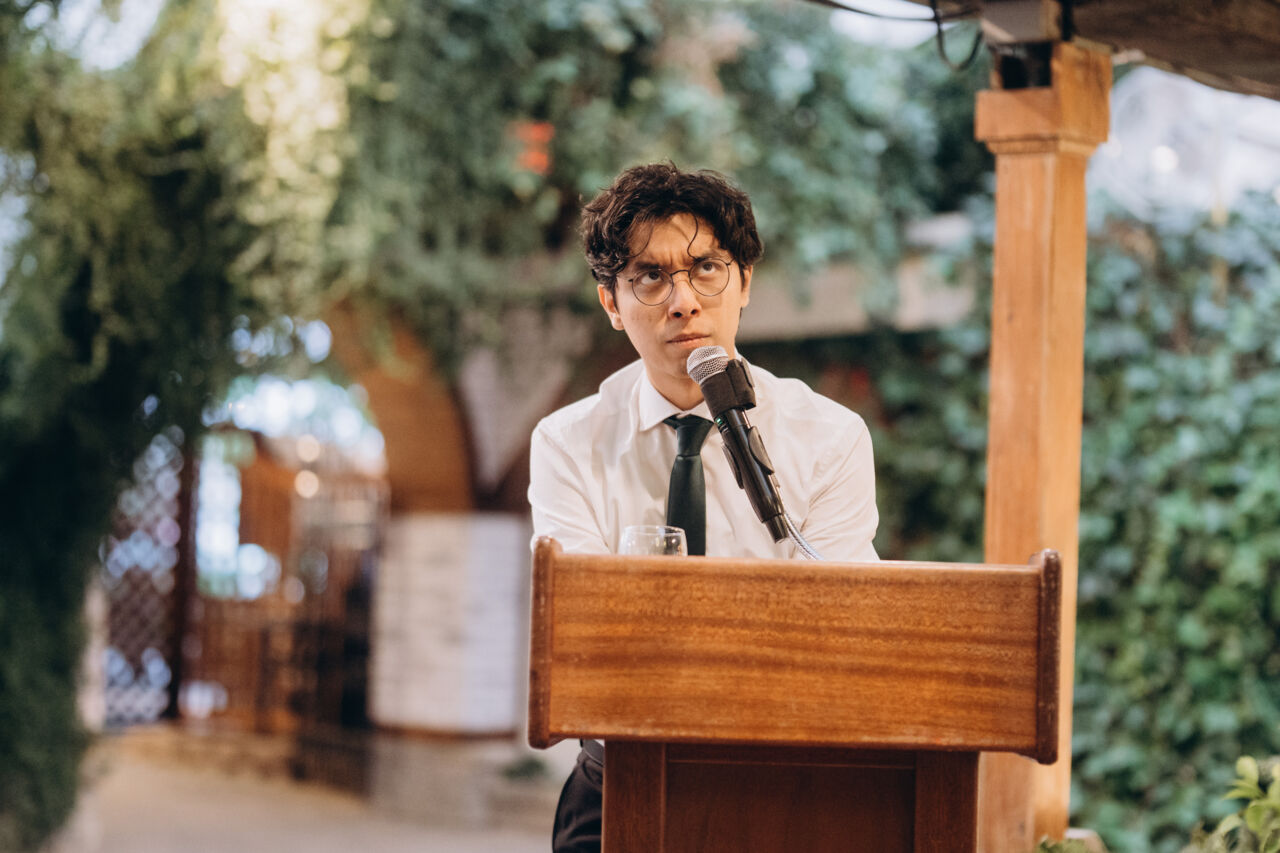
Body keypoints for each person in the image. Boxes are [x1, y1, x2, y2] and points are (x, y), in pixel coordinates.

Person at [527, 163, 879, 853]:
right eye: (649, 276)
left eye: (706, 268)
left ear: (744, 282)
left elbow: (835, 634)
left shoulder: (830, 436)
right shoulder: (567, 442)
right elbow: (589, 637)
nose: (682, 300)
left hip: (780, 780)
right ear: (610, 302)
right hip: (618, 778)